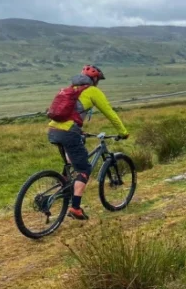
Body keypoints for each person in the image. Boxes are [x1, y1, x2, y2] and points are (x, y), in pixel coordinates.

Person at [47, 65, 129, 220]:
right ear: (95, 79)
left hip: (53, 130)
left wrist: (79, 130)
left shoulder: (70, 89)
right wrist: (123, 132)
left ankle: (63, 186)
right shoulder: (93, 91)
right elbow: (110, 113)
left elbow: (67, 114)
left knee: (72, 162)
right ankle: (75, 208)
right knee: (84, 168)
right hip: (69, 132)